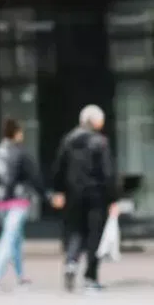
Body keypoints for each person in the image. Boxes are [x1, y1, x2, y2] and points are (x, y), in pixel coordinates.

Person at [0, 118, 55, 293]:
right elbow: (35, 178)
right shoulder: (22, 153)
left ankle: (20, 275)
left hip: (1, 203)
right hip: (19, 201)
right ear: (16, 133)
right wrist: (47, 195)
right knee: (9, 238)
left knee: (15, 238)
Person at [51, 105, 118, 294]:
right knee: (94, 236)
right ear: (95, 121)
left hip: (73, 195)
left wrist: (58, 191)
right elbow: (108, 173)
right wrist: (113, 199)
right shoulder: (100, 142)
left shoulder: (68, 141)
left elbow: (59, 168)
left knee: (75, 232)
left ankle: (71, 263)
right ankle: (90, 277)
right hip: (97, 195)